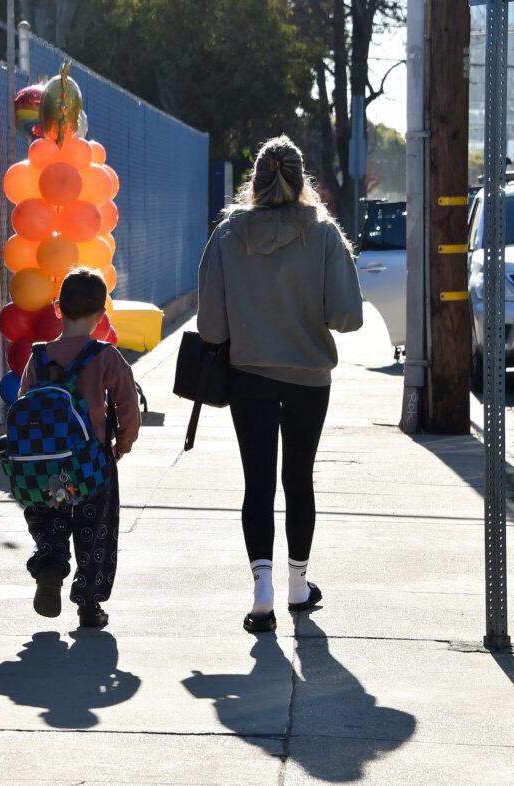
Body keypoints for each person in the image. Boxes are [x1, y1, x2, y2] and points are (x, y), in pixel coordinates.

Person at [196, 135, 363, 633]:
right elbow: (348, 316)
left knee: (258, 483)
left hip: (249, 377)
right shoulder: (325, 235)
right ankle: (298, 583)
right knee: (300, 478)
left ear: (255, 180)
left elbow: (211, 330)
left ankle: (261, 588)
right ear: (301, 178)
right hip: (310, 378)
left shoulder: (228, 236)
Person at [18, 269, 140, 629]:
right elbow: (127, 405)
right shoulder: (105, 357)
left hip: (47, 465)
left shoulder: (38, 358)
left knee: (51, 518)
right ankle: (89, 604)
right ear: (102, 316)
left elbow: (24, 406)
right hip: (92, 464)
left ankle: (52, 563)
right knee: (95, 532)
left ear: (58, 309)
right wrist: (123, 443)